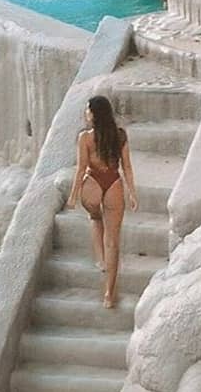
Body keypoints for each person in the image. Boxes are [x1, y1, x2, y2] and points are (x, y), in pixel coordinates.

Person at [66, 95, 138, 309]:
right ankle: (109, 294)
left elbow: (81, 169)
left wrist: (73, 195)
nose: (85, 113)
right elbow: (127, 167)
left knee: (95, 217)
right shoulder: (120, 136)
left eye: (87, 110)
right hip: (114, 182)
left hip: (93, 182)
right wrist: (132, 193)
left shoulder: (85, 138)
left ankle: (100, 260)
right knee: (113, 242)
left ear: (94, 114)